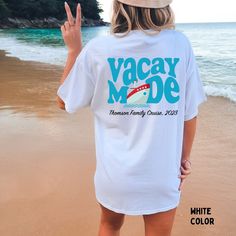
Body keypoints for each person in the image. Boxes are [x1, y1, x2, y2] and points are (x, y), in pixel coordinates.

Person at [56, 0, 207, 235]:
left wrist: (75, 50)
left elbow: (65, 102)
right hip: (162, 173)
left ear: (119, 7)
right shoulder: (179, 44)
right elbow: (189, 113)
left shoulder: (98, 49)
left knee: (110, 225)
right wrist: (184, 159)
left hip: (115, 174)